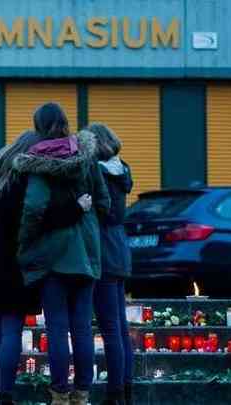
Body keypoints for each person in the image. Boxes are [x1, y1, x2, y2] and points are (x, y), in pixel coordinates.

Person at [0, 130, 93, 405]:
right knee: (11, 330)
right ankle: (5, 395)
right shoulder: (24, 177)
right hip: (15, 262)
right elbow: (41, 218)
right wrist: (76, 208)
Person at [14, 103, 110, 405]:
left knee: (57, 328)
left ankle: (59, 394)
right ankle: (82, 393)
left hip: (53, 257)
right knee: (82, 328)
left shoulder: (39, 162)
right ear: (66, 124)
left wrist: (26, 240)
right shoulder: (88, 159)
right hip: (86, 255)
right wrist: (88, 219)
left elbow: (33, 208)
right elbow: (105, 202)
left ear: (39, 128)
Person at [86, 123, 134, 405]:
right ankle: (125, 389)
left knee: (110, 328)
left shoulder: (98, 173)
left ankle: (114, 393)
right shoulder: (122, 169)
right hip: (120, 248)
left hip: (103, 251)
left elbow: (99, 212)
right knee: (119, 326)